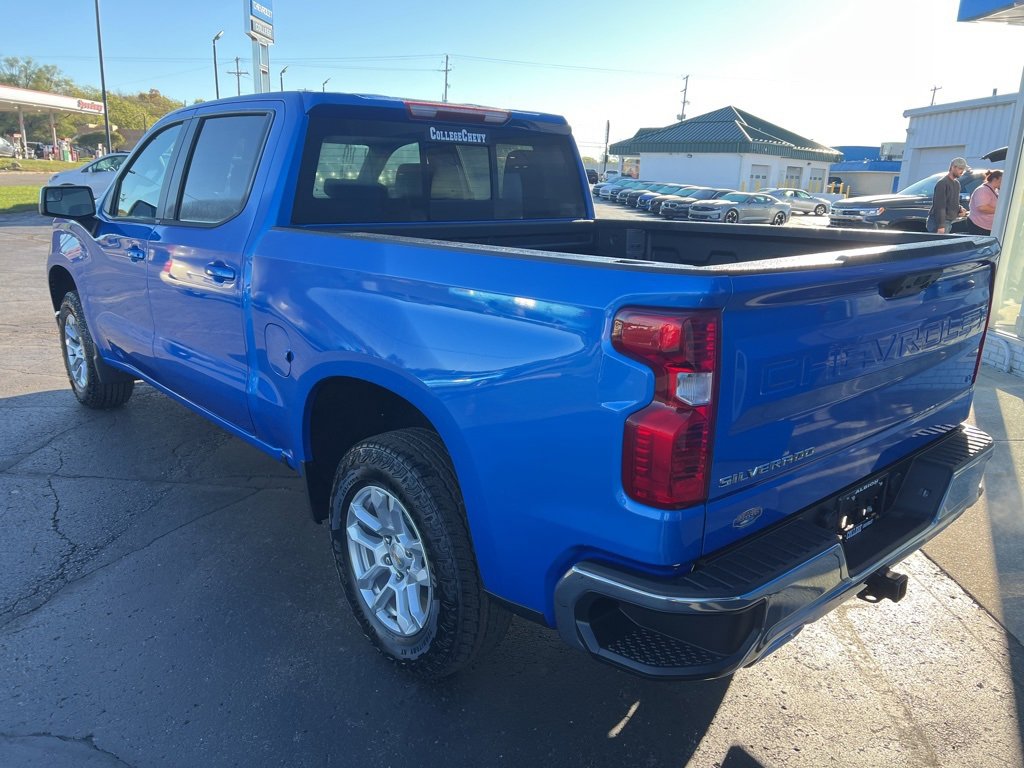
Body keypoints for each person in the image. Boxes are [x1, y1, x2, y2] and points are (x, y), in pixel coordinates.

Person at [926, 157, 968, 234]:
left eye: (963, 169)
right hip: (938, 222)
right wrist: (941, 226)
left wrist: (960, 209)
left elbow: (953, 202)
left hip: (948, 221)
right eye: (960, 168)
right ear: (953, 167)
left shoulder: (957, 184)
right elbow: (939, 206)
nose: (962, 171)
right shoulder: (942, 183)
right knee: (937, 245)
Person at [960, 169, 1003, 235]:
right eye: (1002, 180)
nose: (1004, 182)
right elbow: (982, 208)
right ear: (995, 179)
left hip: (988, 226)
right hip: (980, 226)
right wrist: (1000, 210)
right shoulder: (982, 190)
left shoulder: (994, 190)